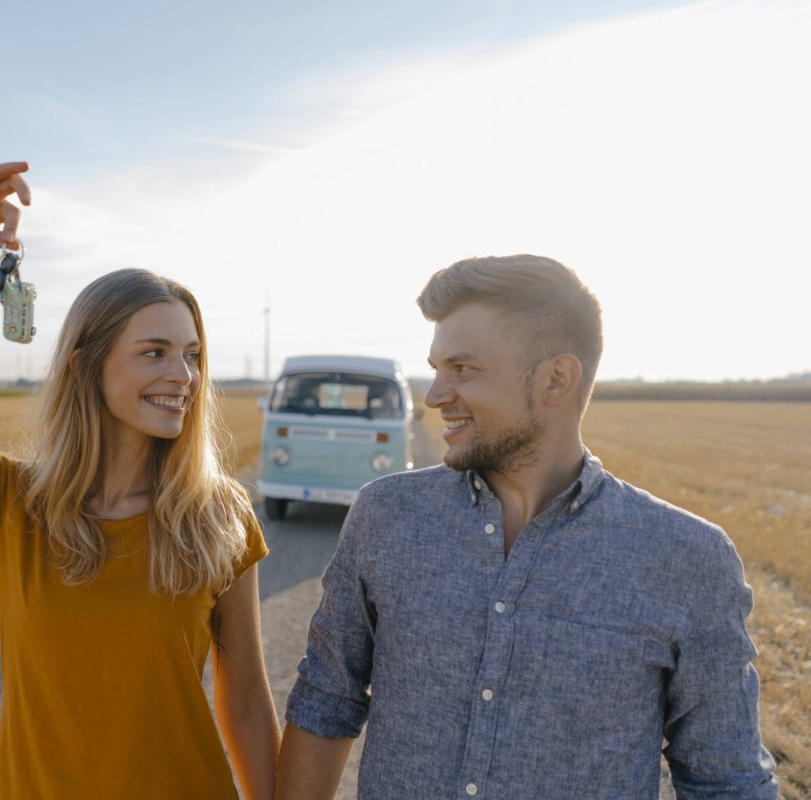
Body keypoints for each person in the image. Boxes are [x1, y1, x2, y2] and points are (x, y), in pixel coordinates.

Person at [0, 142, 280, 799]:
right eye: (154, 352)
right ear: (84, 365)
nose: (183, 376)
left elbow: (248, 705)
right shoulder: (11, 503)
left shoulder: (218, 514)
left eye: (192, 354)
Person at [274, 255, 778, 799]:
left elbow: (727, 781)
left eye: (462, 369)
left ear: (555, 379)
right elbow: (327, 699)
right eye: (437, 367)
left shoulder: (687, 558)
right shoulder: (385, 516)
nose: (435, 396)